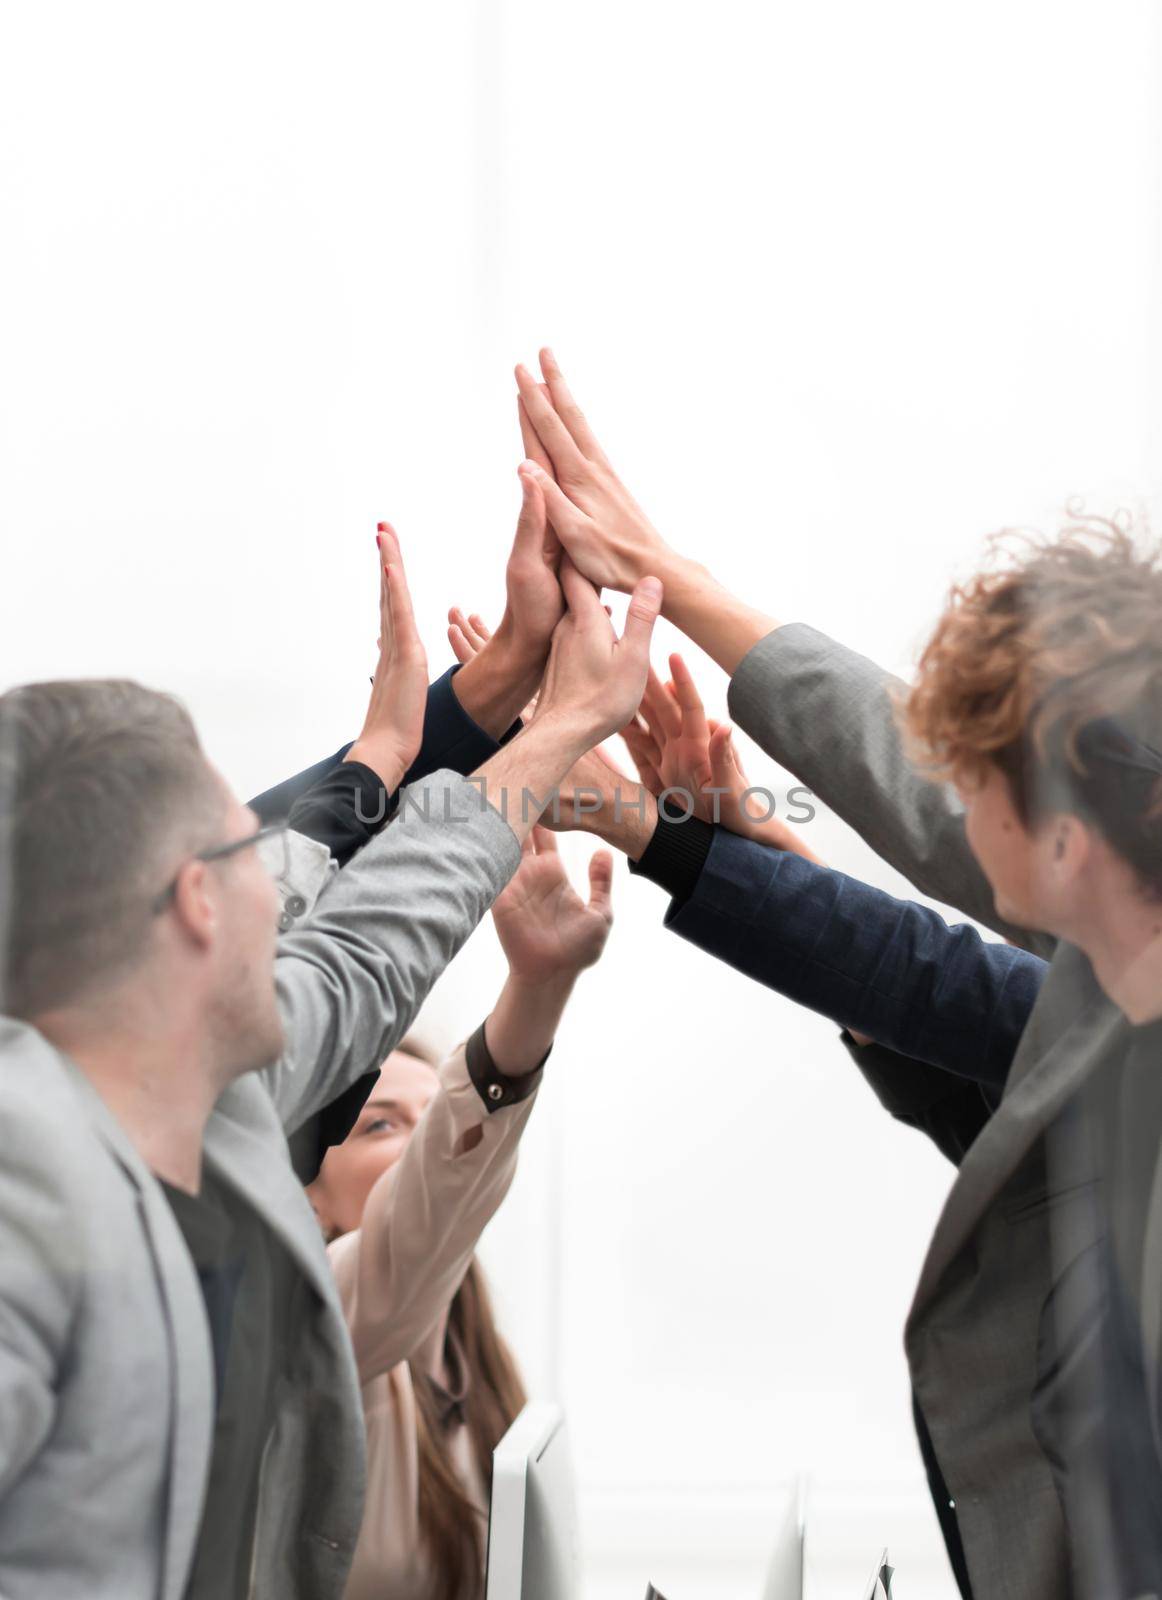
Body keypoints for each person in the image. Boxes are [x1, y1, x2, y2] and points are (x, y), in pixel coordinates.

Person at [514, 349, 1162, 1599]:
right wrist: (703, 834)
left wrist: (672, 600)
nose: (946, 804)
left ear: (1070, 837)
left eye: (975, 776)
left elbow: (909, 838)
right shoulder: (1111, 993)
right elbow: (930, 978)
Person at [0, 512, 662, 1600]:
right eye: (255, 855)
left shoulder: (216, 1094)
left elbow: (370, 941)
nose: (296, 879)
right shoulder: (24, 1170)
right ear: (198, 906)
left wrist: (452, 727)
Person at [307, 826, 612, 1600]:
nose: (417, 1144)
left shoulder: (471, 1350)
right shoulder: (320, 1318)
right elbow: (432, 1190)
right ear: (311, 1188)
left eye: (424, 1116)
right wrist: (534, 994)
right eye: (381, 1125)